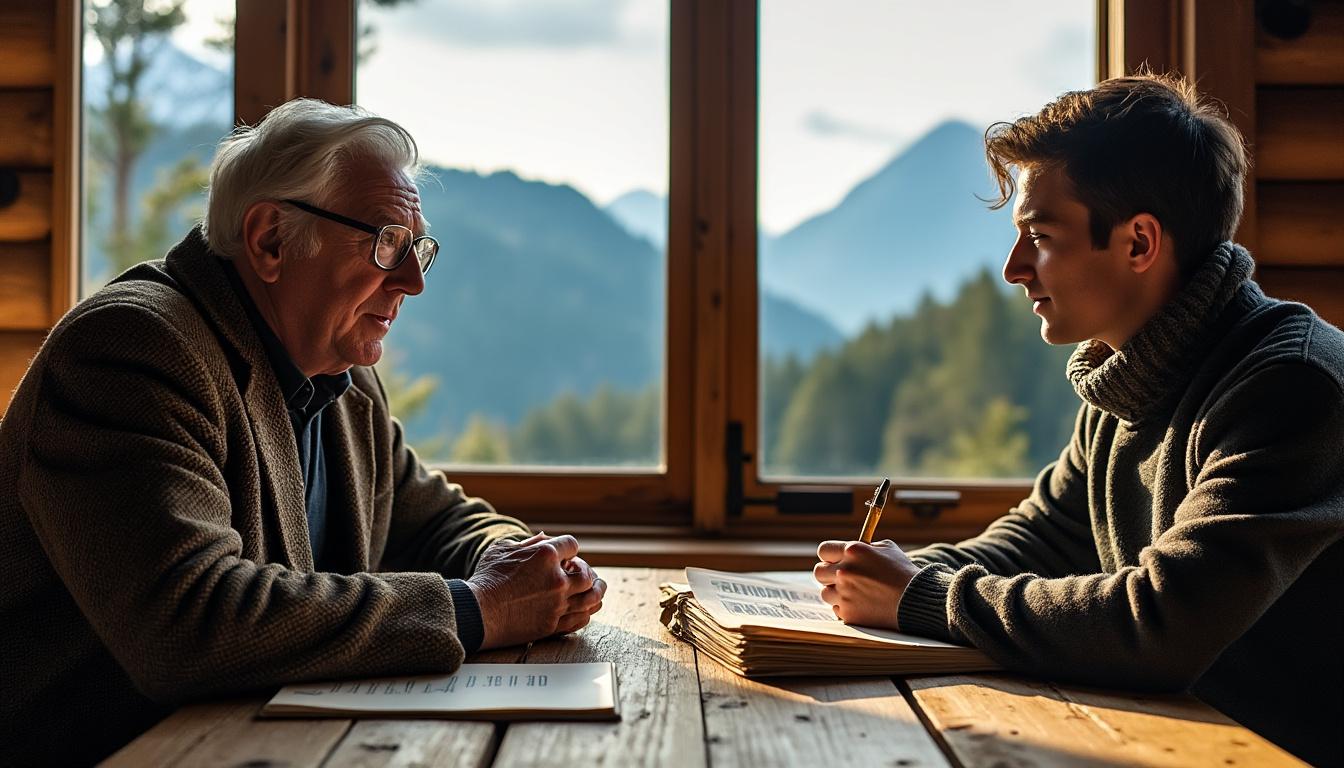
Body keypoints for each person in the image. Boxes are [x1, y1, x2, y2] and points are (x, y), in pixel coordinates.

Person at [0, 99, 607, 766]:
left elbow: (431, 519)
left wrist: (533, 562)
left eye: (417, 249)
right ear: (270, 241)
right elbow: (193, 621)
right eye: (385, 241)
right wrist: (481, 606)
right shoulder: (130, 351)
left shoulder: (338, 372)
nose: (411, 281)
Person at [814, 74, 1344, 767]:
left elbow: (1162, 622)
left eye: (1040, 235)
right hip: (1181, 742)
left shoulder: (1291, 385)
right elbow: (1043, 535)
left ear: (1139, 243)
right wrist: (890, 574)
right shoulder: (1128, 375)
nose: (1012, 269)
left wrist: (922, 596)